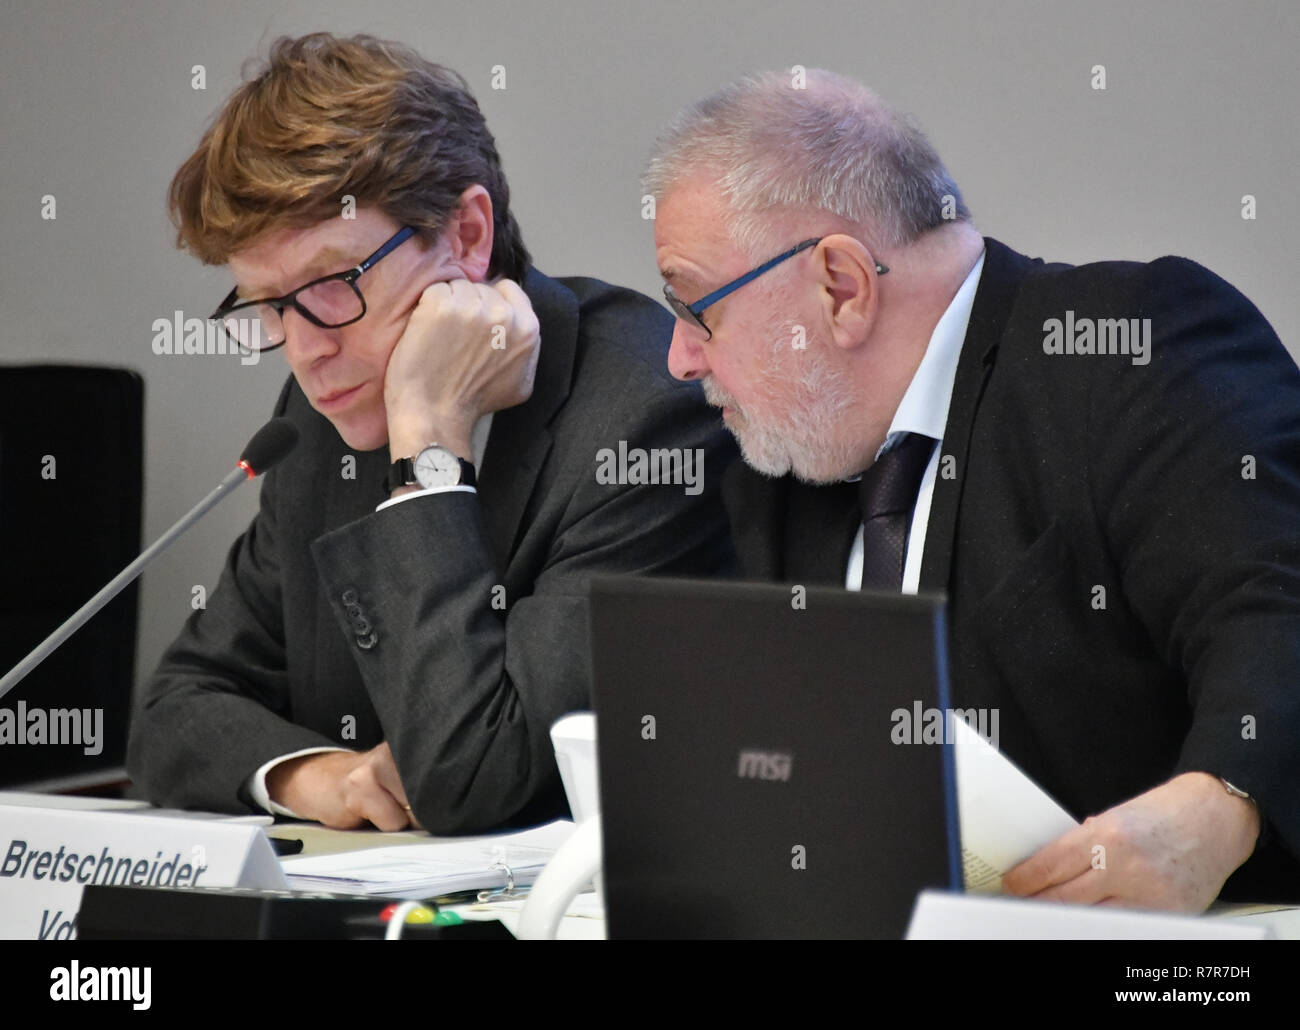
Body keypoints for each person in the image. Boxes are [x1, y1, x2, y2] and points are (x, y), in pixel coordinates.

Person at [643, 68, 1300, 910]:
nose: (681, 356)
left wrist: (1220, 804)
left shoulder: (1121, 349)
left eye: (696, 307)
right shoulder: (773, 458)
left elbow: (1274, 603)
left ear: (841, 287)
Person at [126, 33, 735, 835]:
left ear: (469, 235)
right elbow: (174, 712)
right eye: (268, 304)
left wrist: (427, 445)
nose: (306, 349)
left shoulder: (647, 420)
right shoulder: (317, 421)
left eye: (333, 284)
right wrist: (322, 778)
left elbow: (478, 782)